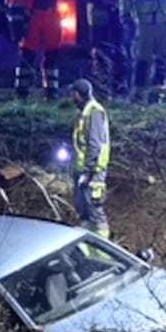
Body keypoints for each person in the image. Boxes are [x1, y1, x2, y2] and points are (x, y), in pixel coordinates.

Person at [69, 79, 111, 239]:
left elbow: (95, 144)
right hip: (83, 171)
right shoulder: (85, 112)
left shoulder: (94, 112)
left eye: (73, 94)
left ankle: (102, 251)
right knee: (84, 212)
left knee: (95, 212)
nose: (71, 97)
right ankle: (87, 249)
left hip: (93, 172)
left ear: (78, 94)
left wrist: (89, 170)